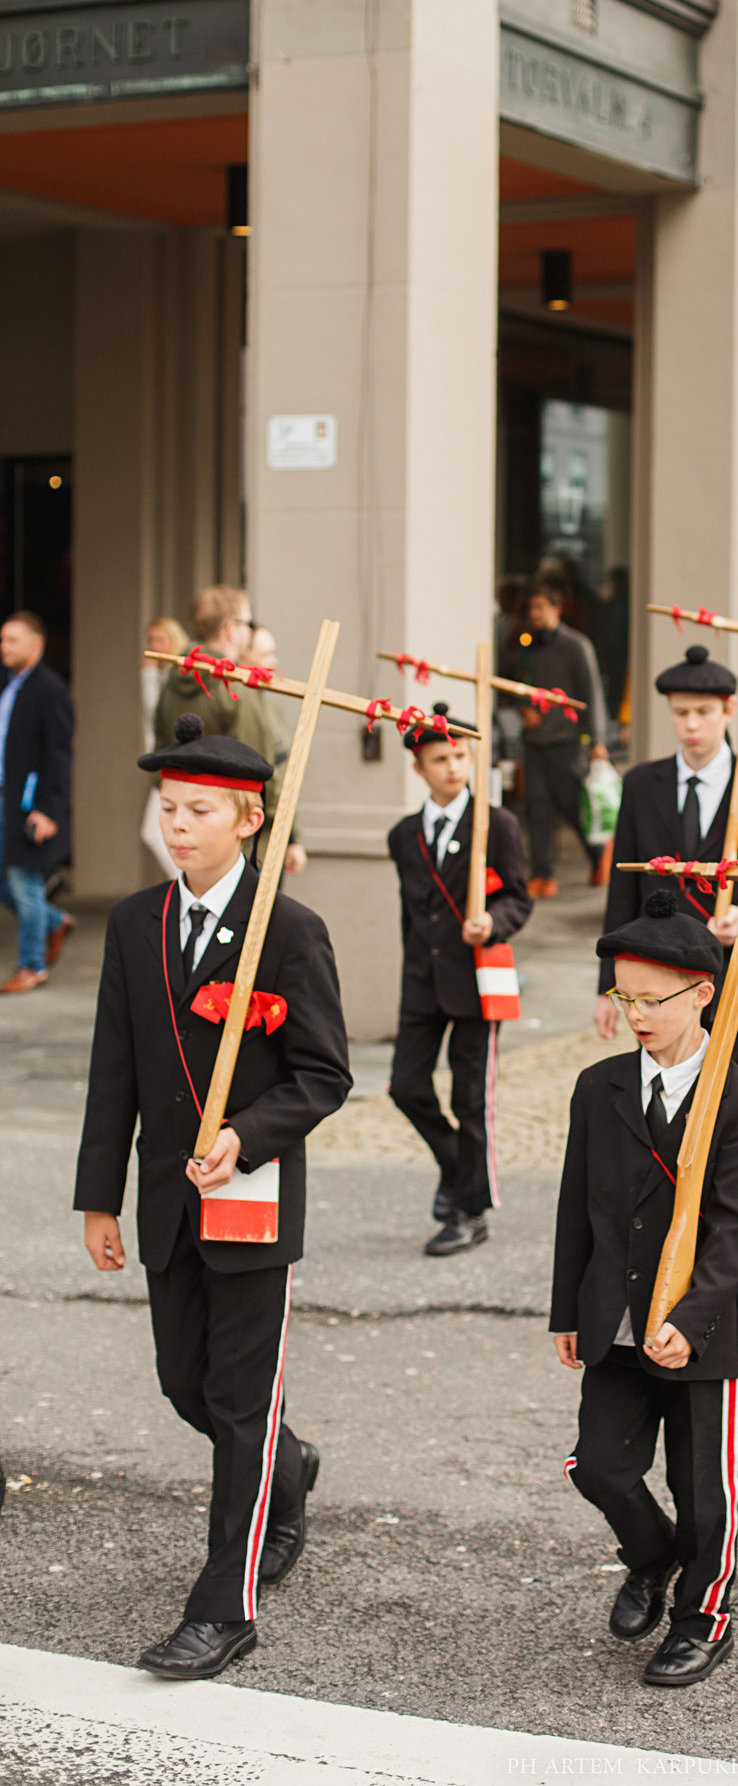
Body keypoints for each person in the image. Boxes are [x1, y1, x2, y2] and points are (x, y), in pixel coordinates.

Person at [73, 714, 351, 1679]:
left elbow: (323, 1074)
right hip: (162, 1200)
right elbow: (114, 1068)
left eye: (198, 810)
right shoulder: (134, 922)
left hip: (252, 1196)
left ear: (249, 817)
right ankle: (290, 1462)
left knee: (235, 1403)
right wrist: (96, 1197)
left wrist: (248, 1135)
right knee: (184, 1385)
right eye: (168, 807)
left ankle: (222, 1607)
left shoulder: (290, 928)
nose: (177, 824)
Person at [552, 891, 738, 1688]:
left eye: (655, 1000)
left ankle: (703, 1614)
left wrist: (690, 1314)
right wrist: (565, 1311)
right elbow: (576, 1204)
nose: (637, 1015)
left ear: (704, 993)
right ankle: (652, 1558)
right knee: (597, 1467)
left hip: (698, 1324)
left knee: (700, 1484)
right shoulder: (598, 1086)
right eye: (625, 997)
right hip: (612, 1314)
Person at [595, 645, 738, 1061]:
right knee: (657, 1090)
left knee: (719, 1095)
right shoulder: (640, 785)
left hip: (725, 973)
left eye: (703, 711)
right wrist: (606, 987)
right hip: (652, 979)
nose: (691, 724)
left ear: (729, 709)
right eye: (681, 712)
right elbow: (623, 893)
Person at [387, 704, 532, 1256]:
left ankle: (470, 1211)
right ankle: (455, 1166)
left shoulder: (496, 825)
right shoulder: (403, 836)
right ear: (418, 767)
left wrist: (493, 922)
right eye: (440, 758)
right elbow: (411, 913)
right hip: (422, 982)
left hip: (477, 978)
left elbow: (519, 897)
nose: (453, 766)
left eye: (460, 756)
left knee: (472, 1097)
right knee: (406, 1085)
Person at [153, 586, 304, 875]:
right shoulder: (236, 688)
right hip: (239, 842)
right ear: (230, 630)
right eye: (248, 624)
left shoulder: (171, 683)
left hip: (187, 834)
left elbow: (161, 753)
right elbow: (262, 771)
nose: (250, 632)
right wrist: (287, 833)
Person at [499, 580, 609, 899]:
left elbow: (593, 694)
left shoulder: (577, 645)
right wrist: (523, 709)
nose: (534, 614)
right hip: (534, 741)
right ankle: (542, 874)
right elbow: (514, 685)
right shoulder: (524, 646)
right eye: (531, 608)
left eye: (540, 607)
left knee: (573, 806)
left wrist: (597, 741)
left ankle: (598, 856)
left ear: (556, 609)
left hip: (567, 741)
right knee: (536, 808)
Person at [0, 611, 74, 993]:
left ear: (36, 644)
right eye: (2, 640)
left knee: (24, 880)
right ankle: (54, 920)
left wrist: (47, 808)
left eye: (12, 640)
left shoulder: (50, 690)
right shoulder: (10, 685)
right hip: (4, 799)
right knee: (7, 880)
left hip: (29, 805)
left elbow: (59, 757)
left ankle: (32, 965)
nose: (4, 647)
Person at [239, 626, 306, 876]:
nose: (274, 662)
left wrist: (292, 838)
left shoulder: (272, 709)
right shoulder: (239, 708)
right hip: (248, 845)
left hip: (273, 841)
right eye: (266, 655)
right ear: (242, 655)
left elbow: (284, 776)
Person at [141, 616, 188, 880]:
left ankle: (190, 882)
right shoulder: (165, 674)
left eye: (160, 639)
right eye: (151, 640)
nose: (154, 645)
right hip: (163, 764)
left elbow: (155, 715)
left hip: (172, 765)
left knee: (155, 831)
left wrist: (147, 676)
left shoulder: (175, 675)